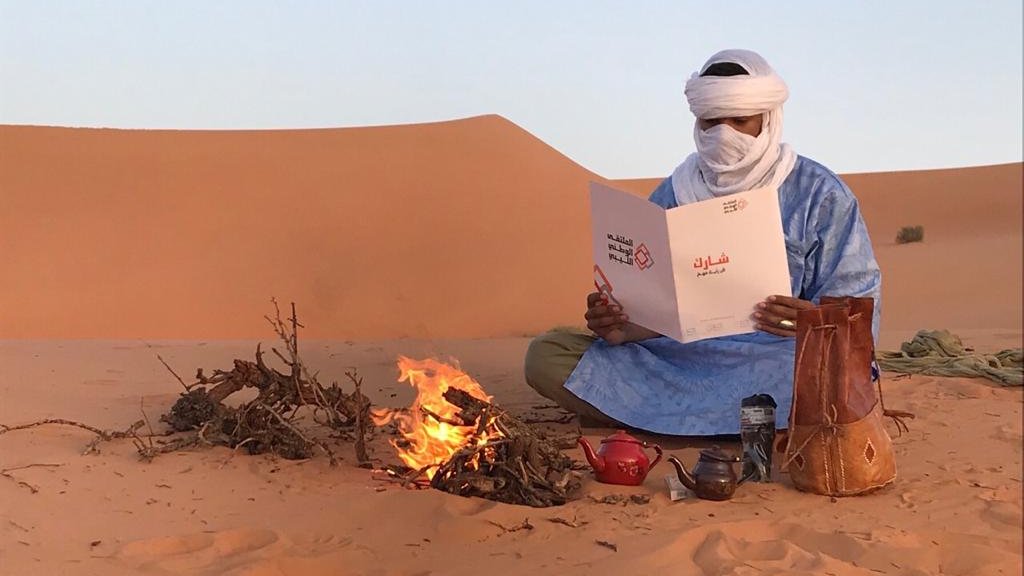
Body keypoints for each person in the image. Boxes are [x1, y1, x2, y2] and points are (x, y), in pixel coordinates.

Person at [523, 49, 882, 436]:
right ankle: (740, 424)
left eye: (740, 121)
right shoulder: (674, 191)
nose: (723, 135)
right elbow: (654, 308)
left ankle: (644, 416)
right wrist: (620, 326)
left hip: (778, 355)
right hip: (680, 357)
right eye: (711, 122)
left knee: (834, 375)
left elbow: (860, 314)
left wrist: (809, 321)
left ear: (768, 118)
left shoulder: (819, 194)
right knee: (547, 355)